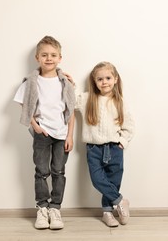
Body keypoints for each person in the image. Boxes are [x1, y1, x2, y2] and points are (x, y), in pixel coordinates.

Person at [13, 36, 75, 230]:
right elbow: (24, 104)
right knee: (41, 172)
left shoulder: (65, 82)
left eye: (53, 55)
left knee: (59, 171)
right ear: (37, 57)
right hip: (42, 134)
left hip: (62, 134)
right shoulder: (32, 81)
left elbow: (71, 111)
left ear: (60, 58)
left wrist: (70, 135)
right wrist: (35, 125)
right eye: (45, 55)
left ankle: (55, 209)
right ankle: (42, 208)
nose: (49, 58)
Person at [73, 61, 135, 227]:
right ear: (94, 81)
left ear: (115, 79)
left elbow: (129, 125)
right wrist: (69, 84)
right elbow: (71, 101)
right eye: (100, 79)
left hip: (115, 148)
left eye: (108, 78)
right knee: (97, 179)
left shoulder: (120, 101)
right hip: (93, 149)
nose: (104, 82)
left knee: (113, 181)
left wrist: (123, 141)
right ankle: (121, 201)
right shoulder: (87, 99)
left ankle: (107, 212)